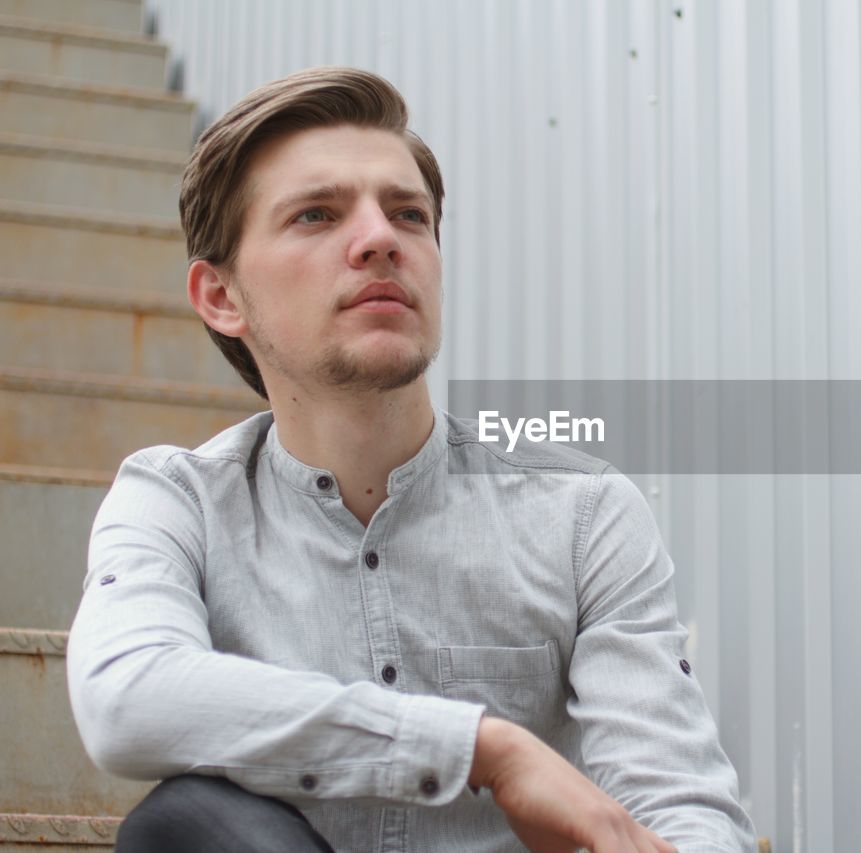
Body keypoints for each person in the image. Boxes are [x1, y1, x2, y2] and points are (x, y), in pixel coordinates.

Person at [66, 66, 755, 852]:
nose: (380, 239)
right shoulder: (176, 500)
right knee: (187, 825)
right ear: (221, 297)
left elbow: (681, 802)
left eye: (409, 214)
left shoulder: (581, 512)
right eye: (317, 215)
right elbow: (124, 696)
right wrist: (479, 748)